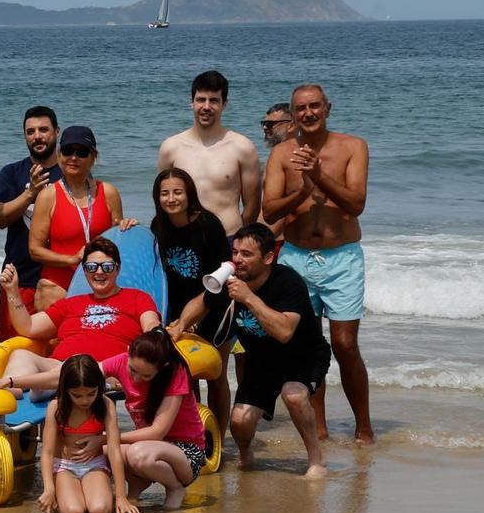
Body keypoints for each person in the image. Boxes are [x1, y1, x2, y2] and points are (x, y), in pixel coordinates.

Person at [262, 84, 371, 443]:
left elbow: (356, 204)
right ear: (292, 115)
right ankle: (319, 429)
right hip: (295, 257)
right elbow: (270, 209)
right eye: (300, 108)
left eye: (314, 106)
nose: (308, 113)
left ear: (327, 108)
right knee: (308, 345)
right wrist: (304, 193)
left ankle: (363, 427)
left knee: (344, 344)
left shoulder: (353, 147)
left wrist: (319, 176)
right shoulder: (281, 154)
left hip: (342, 257)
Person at [223, 222, 330, 478]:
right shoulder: (232, 281)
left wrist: (248, 297)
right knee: (239, 421)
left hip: (303, 357)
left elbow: (284, 333)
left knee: (293, 395)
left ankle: (316, 460)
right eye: (235, 252)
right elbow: (202, 303)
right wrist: (181, 324)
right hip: (262, 362)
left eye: (246, 254)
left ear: (269, 257)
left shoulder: (288, 281)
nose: (238, 260)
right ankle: (246, 454)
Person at [0, 239, 163, 394]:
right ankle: (8, 394)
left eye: (107, 267)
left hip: (103, 369)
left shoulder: (137, 297)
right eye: (92, 267)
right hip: (60, 366)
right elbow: (28, 327)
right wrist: (12, 292)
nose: (99, 272)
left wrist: (149, 342)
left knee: (75, 369)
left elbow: (151, 327)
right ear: (84, 271)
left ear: (118, 269)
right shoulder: (70, 303)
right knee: (21, 355)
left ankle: (43, 387)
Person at [151, 166, 234, 433]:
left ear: (189, 195)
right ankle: (196, 434)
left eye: (177, 192)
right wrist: (127, 225)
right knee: (186, 373)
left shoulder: (207, 225)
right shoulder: (158, 226)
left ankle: (219, 436)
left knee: (215, 374)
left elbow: (220, 278)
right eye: (165, 193)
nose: (171, 199)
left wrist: (189, 319)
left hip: (216, 306)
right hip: (177, 307)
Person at [28, 124, 131, 309]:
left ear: (94, 157)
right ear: (59, 155)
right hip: (57, 287)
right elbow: (35, 249)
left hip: (101, 285)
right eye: (68, 151)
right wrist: (72, 259)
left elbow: (118, 244)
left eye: (82, 152)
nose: (73, 158)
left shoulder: (108, 193)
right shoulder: (48, 195)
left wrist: (129, 228)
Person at [105, 328, 207, 509]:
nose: (136, 379)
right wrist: (38, 378)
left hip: (186, 453)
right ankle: (136, 485)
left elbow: (158, 432)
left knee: (136, 454)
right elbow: (84, 373)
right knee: (102, 451)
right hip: (148, 447)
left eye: (146, 376)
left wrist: (111, 437)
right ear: (128, 352)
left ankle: (175, 487)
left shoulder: (176, 374)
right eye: (133, 370)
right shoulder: (120, 362)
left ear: (162, 368)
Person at [36, 353, 139, 513]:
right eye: (77, 395)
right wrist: (49, 489)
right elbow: (47, 453)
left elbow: (114, 451)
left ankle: (105, 488)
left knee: (100, 511)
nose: (85, 400)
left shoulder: (106, 405)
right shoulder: (56, 408)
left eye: (91, 393)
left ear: (100, 386)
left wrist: (121, 497)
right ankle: (64, 490)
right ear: (65, 389)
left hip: (94, 465)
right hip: (64, 467)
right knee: (74, 512)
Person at [0, 105, 60, 338]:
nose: (37, 136)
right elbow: (0, 218)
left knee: (55, 349)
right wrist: (30, 194)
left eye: (43, 129)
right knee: (12, 345)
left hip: (58, 280)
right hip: (19, 279)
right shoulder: (12, 172)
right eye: (30, 131)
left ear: (56, 132)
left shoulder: (71, 172)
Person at [157, 70, 261, 234]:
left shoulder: (242, 148)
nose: (206, 107)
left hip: (229, 237)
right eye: (200, 100)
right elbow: (162, 199)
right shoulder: (171, 148)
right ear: (191, 102)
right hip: (184, 238)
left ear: (224, 104)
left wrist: (238, 241)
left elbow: (252, 207)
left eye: (214, 101)